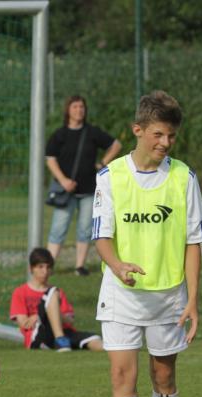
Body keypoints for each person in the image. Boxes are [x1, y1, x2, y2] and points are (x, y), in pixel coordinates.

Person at [81, 90, 202, 397]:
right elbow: (101, 236)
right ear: (137, 130)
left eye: (171, 136)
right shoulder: (110, 176)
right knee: (122, 375)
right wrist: (117, 265)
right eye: (158, 134)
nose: (165, 143)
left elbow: (193, 242)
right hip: (121, 295)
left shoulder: (184, 178)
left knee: (163, 376)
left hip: (168, 297)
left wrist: (192, 299)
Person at [46, 95, 122, 276]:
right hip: (66, 191)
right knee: (58, 228)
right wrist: (63, 180)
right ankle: (48, 266)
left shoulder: (92, 132)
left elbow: (116, 145)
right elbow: (50, 158)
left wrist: (103, 163)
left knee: (85, 229)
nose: (79, 110)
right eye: (75, 107)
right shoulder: (59, 134)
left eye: (81, 107)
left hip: (89, 190)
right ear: (68, 110)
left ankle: (80, 266)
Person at [10, 247, 102, 352]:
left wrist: (52, 314)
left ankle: (62, 341)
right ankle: (60, 340)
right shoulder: (21, 292)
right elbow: (24, 323)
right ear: (31, 269)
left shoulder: (58, 293)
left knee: (94, 340)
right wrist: (43, 315)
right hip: (39, 335)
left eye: (48, 267)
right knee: (52, 293)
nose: (45, 271)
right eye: (40, 267)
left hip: (63, 330)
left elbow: (69, 320)